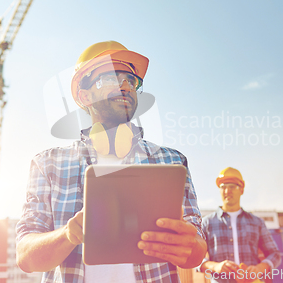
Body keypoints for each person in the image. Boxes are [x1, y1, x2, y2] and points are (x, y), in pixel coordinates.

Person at [16, 41, 207, 283]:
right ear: (84, 96)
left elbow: (197, 249)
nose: (126, 86)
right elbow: (25, 256)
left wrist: (191, 247)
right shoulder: (48, 164)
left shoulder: (172, 161)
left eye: (131, 80)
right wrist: (68, 235)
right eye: (111, 79)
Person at [200, 167, 281, 283]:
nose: (227, 191)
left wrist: (259, 268)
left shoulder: (257, 222)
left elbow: (275, 254)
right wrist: (215, 266)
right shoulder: (207, 222)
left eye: (232, 186)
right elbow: (195, 258)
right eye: (223, 187)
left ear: (242, 189)